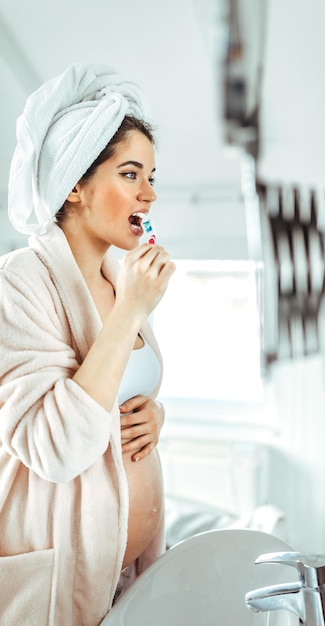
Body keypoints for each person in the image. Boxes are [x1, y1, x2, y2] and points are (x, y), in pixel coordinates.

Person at [0, 63, 176, 625]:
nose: (149, 194)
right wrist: (131, 312)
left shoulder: (120, 279)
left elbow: (120, 393)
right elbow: (53, 447)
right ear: (75, 183)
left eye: (152, 177)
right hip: (58, 587)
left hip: (130, 582)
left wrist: (155, 416)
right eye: (131, 174)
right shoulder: (20, 282)